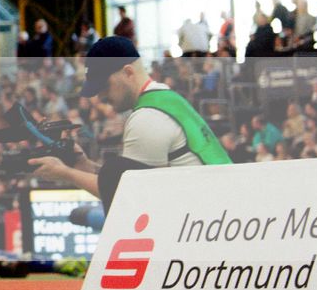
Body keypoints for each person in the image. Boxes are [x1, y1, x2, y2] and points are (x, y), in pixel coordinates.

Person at [32, 36, 230, 211]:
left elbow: (127, 195)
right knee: (112, 169)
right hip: (220, 214)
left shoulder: (147, 117)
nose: (101, 96)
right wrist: (83, 165)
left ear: (128, 72)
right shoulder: (165, 98)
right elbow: (123, 180)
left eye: (104, 87)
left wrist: (66, 173)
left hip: (209, 221)